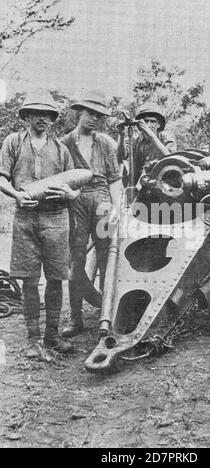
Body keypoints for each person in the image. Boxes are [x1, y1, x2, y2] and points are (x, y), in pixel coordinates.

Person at [0, 89, 79, 358]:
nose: (42, 118)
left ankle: (52, 335)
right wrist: (16, 195)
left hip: (56, 218)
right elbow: (1, 177)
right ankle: (33, 339)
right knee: (30, 281)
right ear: (27, 116)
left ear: (52, 118)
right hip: (25, 218)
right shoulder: (13, 142)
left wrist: (71, 194)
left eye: (47, 114)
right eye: (37, 113)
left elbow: (75, 184)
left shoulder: (61, 149)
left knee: (56, 279)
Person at [61, 89, 122, 338]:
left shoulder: (106, 142)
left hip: (102, 201)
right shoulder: (64, 143)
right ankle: (76, 319)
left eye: (99, 115)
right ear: (79, 113)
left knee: (107, 257)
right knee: (75, 260)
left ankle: (106, 315)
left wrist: (116, 208)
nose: (94, 119)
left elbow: (115, 179)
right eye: (90, 113)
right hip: (75, 201)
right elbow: (60, 178)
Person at [117, 104, 177, 184]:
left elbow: (169, 157)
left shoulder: (166, 138)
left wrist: (150, 133)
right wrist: (121, 136)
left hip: (163, 182)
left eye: (153, 121)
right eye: (145, 121)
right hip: (141, 184)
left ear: (158, 124)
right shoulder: (136, 140)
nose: (148, 125)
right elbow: (121, 156)